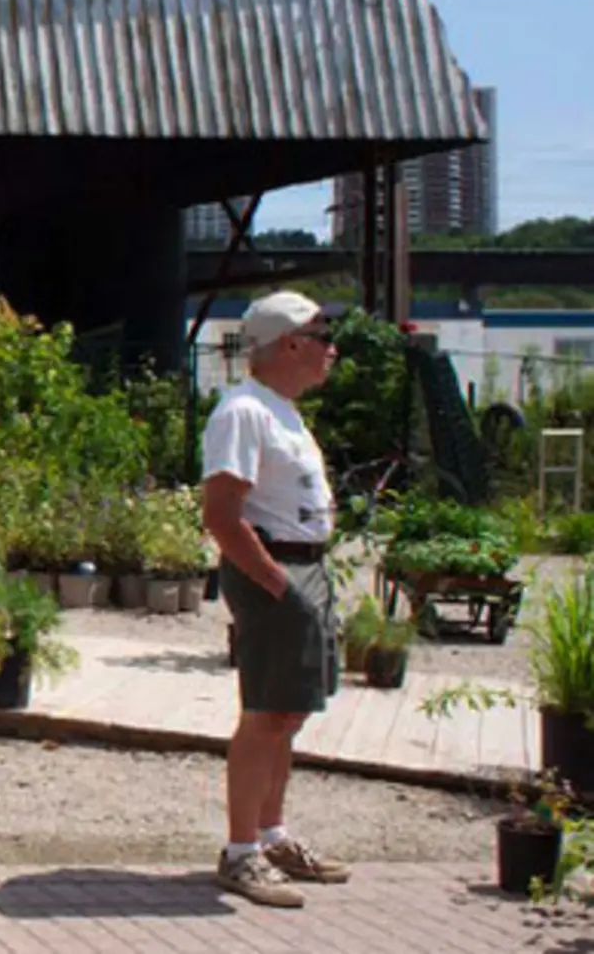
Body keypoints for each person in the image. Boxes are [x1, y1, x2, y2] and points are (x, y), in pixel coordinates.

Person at [199, 289, 352, 908]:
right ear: (290, 343)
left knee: (287, 712)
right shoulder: (244, 412)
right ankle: (240, 852)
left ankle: (270, 835)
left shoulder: (280, 409)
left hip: (301, 568)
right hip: (278, 571)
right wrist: (278, 586)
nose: (331, 351)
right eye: (323, 339)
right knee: (265, 713)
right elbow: (222, 516)